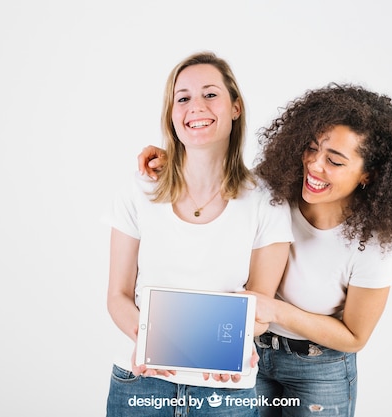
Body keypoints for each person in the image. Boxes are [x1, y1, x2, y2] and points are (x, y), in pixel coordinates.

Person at [138, 83, 392, 417]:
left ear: (368, 176)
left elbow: (355, 337)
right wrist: (175, 162)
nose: (315, 166)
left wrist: (275, 311)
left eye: (335, 161)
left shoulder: (370, 246)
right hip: (250, 351)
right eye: (312, 149)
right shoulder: (272, 195)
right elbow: (221, 182)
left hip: (320, 370)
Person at [106, 51, 292, 417]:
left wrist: (187, 345)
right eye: (183, 98)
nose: (196, 107)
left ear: (235, 107)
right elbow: (118, 295)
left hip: (224, 391)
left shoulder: (266, 200)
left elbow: (259, 308)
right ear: (171, 113)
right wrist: (148, 340)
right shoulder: (139, 190)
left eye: (210, 94)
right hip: (140, 382)